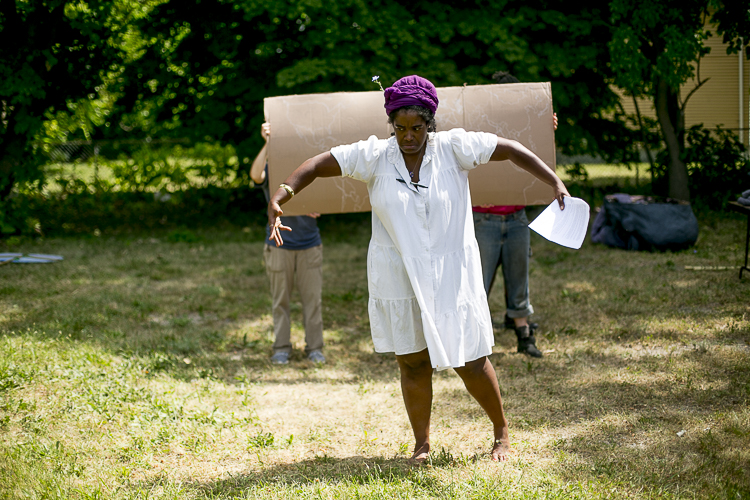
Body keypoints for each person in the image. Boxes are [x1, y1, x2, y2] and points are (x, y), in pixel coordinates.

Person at [266, 75, 569, 462]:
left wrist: (554, 182)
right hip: (398, 274)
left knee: (469, 360)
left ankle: (501, 432)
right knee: (412, 361)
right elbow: (317, 164)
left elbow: (509, 149)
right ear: (391, 123)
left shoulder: (453, 148)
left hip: (450, 273)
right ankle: (422, 444)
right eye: (400, 127)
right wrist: (282, 195)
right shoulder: (375, 155)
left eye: (417, 127)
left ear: (430, 123)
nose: (408, 136)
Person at [472, 70, 556, 358]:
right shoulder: (477, 126)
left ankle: (524, 333)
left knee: (519, 277)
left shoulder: (527, 127)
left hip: (518, 217)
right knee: (477, 283)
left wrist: (546, 130)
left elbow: (538, 155)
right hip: (483, 218)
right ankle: (472, 340)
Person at [251, 123, 325, 365]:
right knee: (280, 300)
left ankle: (315, 349)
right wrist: (266, 143)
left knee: (312, 301)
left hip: (310, 245)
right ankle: (281, 348)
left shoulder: (312, 170)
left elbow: (329, 195)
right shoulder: (274, 167)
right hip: (278, 245)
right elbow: (255, 175)